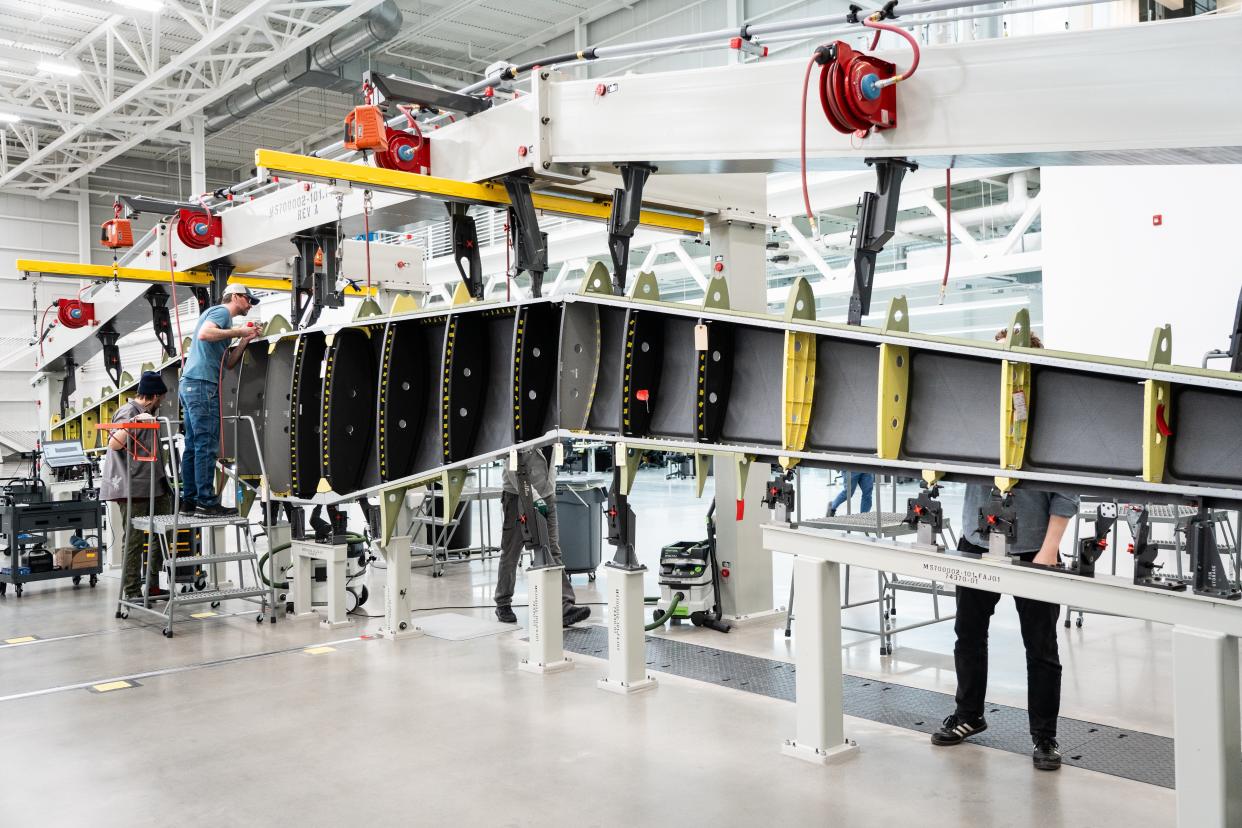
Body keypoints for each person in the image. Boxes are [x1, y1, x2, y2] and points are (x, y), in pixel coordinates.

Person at [931, 328, 1077, 772]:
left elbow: (1066, 493)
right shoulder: (979, 417)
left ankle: (1045, 737)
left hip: (1034, 550)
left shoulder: (1050, 424)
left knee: (1042, 650)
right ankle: (969, 715)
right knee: (968, 637)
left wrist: (1049, 550)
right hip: (976, 544)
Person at [179, 284, 260, 517]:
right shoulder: (221, 312)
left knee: (194, 446)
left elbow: (229, 363)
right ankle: (206, 501)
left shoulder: (223, 321)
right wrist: (238, 332)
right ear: (235, 296)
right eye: (248, 299)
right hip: (202, 385)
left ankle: (190, 502)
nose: (250, 304)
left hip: (193, 384)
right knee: (206, 445)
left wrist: (246, 338)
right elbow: (205, 334)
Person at [495, 448, 591, 627]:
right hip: (517, 495)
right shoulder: (521, 428)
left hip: (546, 495)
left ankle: (564, 605)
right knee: (511, 552)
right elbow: (512, 468)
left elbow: (552, 462)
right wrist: (534, 498)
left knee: (552, 549)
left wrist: (548, 493)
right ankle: (503, 603)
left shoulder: (554, 428)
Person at [100, 371, 171, 602]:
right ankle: (131, 591)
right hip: (134, 487)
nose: (161, 404)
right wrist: (133, 424)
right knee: (134, 539)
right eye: (160, 399)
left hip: (156, 484)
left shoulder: (149, 413)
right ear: (152, 397)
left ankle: (153, 585)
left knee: (162, 534)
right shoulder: (128, 412)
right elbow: (114, 443)